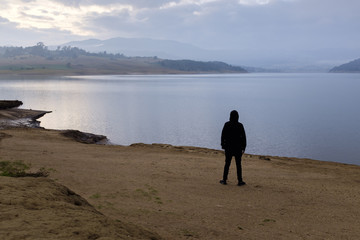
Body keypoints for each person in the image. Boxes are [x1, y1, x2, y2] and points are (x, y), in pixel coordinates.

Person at [220, 110, 247, 186]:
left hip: (228, 148)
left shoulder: (227, 124)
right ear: (237, 116)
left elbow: (223, 135)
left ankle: (224, 180)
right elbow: (244, 138)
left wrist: (223, 145)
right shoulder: (240, 125)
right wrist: (243, 147)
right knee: (238, 165)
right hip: (238, 148)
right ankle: (240, 181)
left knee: (227, 164)